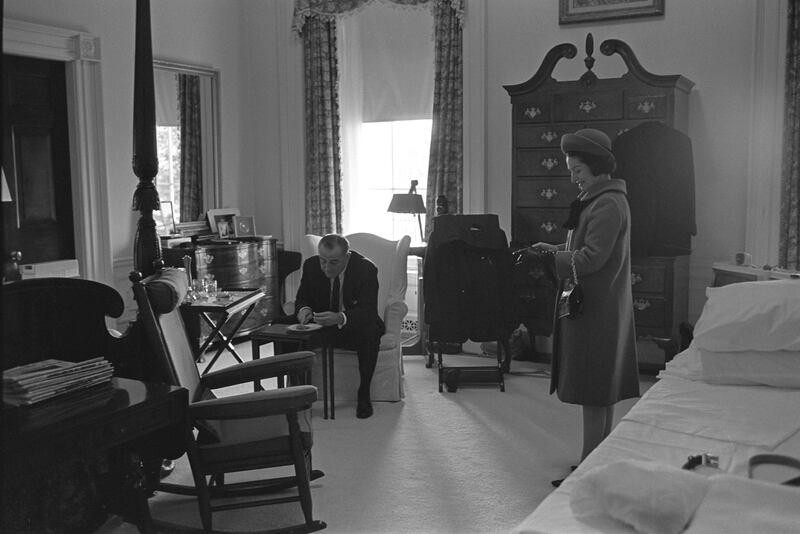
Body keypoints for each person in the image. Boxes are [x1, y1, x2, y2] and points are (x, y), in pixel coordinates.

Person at [529, 128, 639, 486]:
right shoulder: (599, 199)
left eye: (577, 170)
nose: (572, 176)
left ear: (596, 168)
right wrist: (554, 247)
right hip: (597, 304)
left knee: (594, 389)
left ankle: (590, 468)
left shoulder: (606, 203)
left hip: (596, 309)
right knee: (600, 390)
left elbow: (591, 259)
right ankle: (597, 458)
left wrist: (553, 259)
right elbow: (582, 244)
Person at [294, 234, 383, 419]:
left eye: (333, 262)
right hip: (319, 324)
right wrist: (304, 310)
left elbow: (368, 311)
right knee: (281, 327)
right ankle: (295, 393)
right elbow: (302, 298)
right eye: (322, 260)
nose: (326, 267)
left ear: (347, 257)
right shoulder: (311, 266)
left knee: (371, 331)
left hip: (350, 326)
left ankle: (364, 392)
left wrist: (339, 318)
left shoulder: (366, 269)